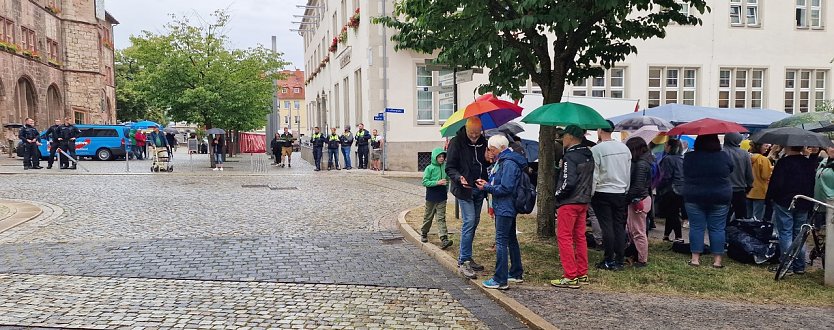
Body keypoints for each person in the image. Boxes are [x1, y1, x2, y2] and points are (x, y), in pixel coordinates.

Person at [476, 135, 526, 290]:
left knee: (501, 241)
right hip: (505, 206)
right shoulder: (504, 161)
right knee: (510, 239)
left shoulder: (509, 163)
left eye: (493, 149)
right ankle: (516, 272)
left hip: (505, 206)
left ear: (502, 148)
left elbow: (506, 188)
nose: (491, 152)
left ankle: (500, 279)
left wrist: (487, 188)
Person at [550, 125, 594, 288]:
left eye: (564, 136)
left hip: (569, 202)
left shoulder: (571, 156)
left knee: (564, 238)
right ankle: (582, 273)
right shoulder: (588, 153)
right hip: (583, 200)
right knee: (580, 237)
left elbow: (569, 181)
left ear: (570, 137)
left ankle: (570, 276)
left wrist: (557, 195)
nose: (562, 139)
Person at [445, 117, 489, 279]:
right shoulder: (457, 142)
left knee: (474, 222)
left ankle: (468, 256)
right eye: (472, 133)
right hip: (464, 189)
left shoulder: (484, 141)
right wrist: (459, 177)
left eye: (477, 133)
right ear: (466, 129)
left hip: (479, 188)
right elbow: (449, 167)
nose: (474, 136)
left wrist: (488, 160)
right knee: (469, 221)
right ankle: (463, 260)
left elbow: (484, 164)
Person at [766, 145, 818, 275]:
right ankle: (799, 265)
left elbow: (776, 183)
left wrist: (769, 198)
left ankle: (786, 265)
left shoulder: (784, 162)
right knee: (799, 233)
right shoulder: (808, 163)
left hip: (784, 201)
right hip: (804, 201)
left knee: (785, 232)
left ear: (788, 147)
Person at [683, 134, 733, 268]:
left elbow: (685, 172)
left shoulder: (689, 157)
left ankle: (695, 259)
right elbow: (730, 170)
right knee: (717, 228)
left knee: (696, 227)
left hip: (694, 195)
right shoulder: (724, 156)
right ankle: (717, 261)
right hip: (720, 196)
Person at [590, 120, 631, 271]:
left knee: (607, 227)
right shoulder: (624, 148)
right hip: (620, 191)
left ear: (600, 130)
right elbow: (627, 172)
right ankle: (620, 259)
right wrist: (625, 189)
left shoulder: (597, 149)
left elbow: (594, 174)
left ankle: (609, 259)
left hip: (603, 191)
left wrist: (591, 193)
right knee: (619, 226)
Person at [625, 138, 653, 268]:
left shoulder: (641, 164)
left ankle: (642, 259)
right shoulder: (647, 160)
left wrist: (626, 197)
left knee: (637, 231)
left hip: (638, 200)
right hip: (642, 199)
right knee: (634, 230)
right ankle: (637, 255)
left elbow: (637, 187)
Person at [421, 147, 453, 249]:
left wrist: (446, 188)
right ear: (435, 158)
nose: (441, 158)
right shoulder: (429, 168)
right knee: (428, 216)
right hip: (431, 195)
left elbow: (448, 179)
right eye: (439, 157)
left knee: (441, 218)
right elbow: (425, 182)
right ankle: (424, 232)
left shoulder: (445, 167)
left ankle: (444, 238)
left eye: (443, 156)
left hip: (442, 196)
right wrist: (436, 182)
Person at [658, 139, 685, 242]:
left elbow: (665, 176)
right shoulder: (683, 158)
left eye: (666, 144)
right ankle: (666, 235)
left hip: (671, 190)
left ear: (670, 147)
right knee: (672, 212)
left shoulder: (668, 159)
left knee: (672, 214)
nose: (665, 146)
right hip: (682, 189)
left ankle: (679, 236)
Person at [723, 133, 753, 220]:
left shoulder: (721, 153)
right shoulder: (744, 153)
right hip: (740, 188)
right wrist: (749, 185)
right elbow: (749, 173)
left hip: (723, 188)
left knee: (724, 216)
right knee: (741, 216)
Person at [747, 142, 772, 220]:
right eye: (765, 145)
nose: (767, 147)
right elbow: (765, 176)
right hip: (760, 191)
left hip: (748, 190)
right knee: (757, 217)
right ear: (759, 146)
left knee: (748, 215)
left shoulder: (747, 157)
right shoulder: (763, 159)